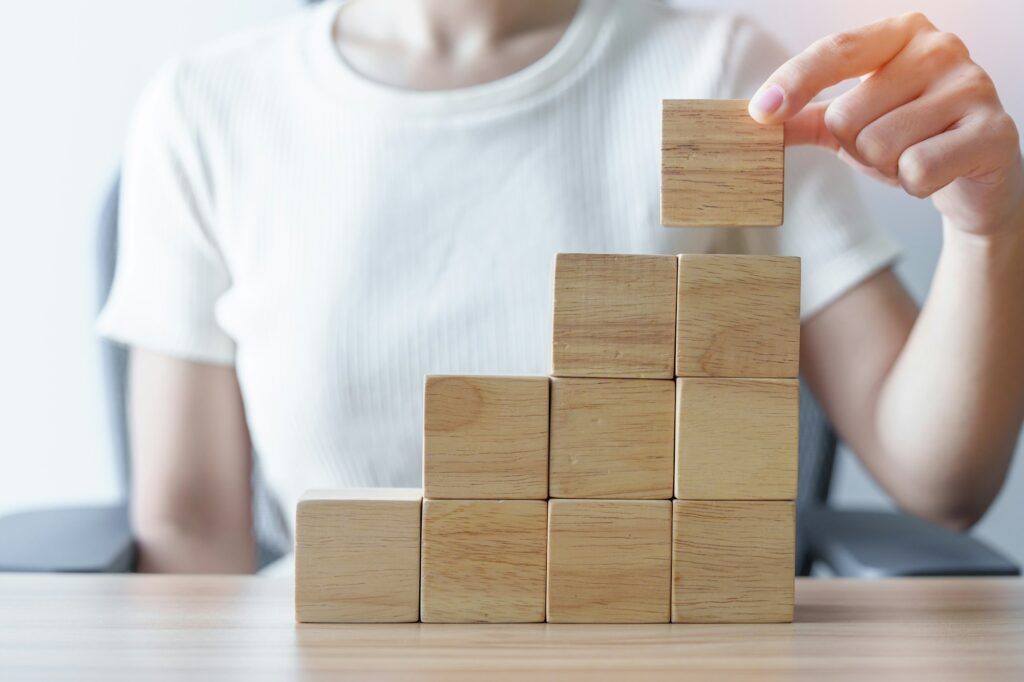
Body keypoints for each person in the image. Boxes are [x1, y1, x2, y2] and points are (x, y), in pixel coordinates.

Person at [97, 0, 1024, 573]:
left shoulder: (729, 78)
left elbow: (937, 482)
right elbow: (189, 533)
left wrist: (987, 229)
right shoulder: (206, 107)